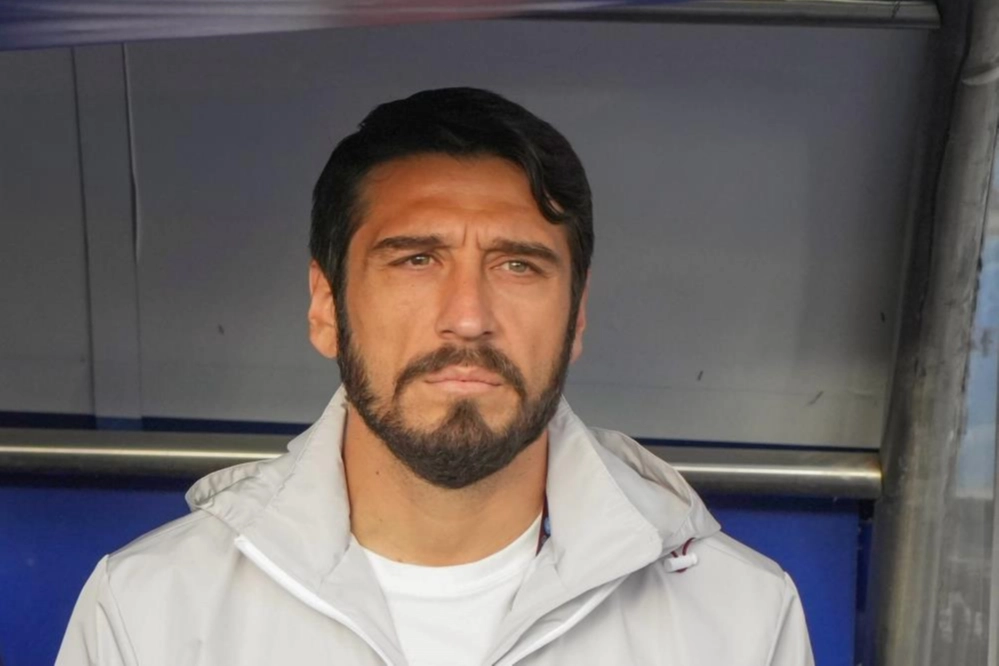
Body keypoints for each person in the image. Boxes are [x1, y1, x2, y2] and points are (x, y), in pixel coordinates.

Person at [57, 87, 814, 666]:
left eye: (517, 266)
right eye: (416, 260)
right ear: (325, 306)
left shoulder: (736, 619)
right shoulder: (152, 612)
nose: (468, 317)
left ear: (576, 315)